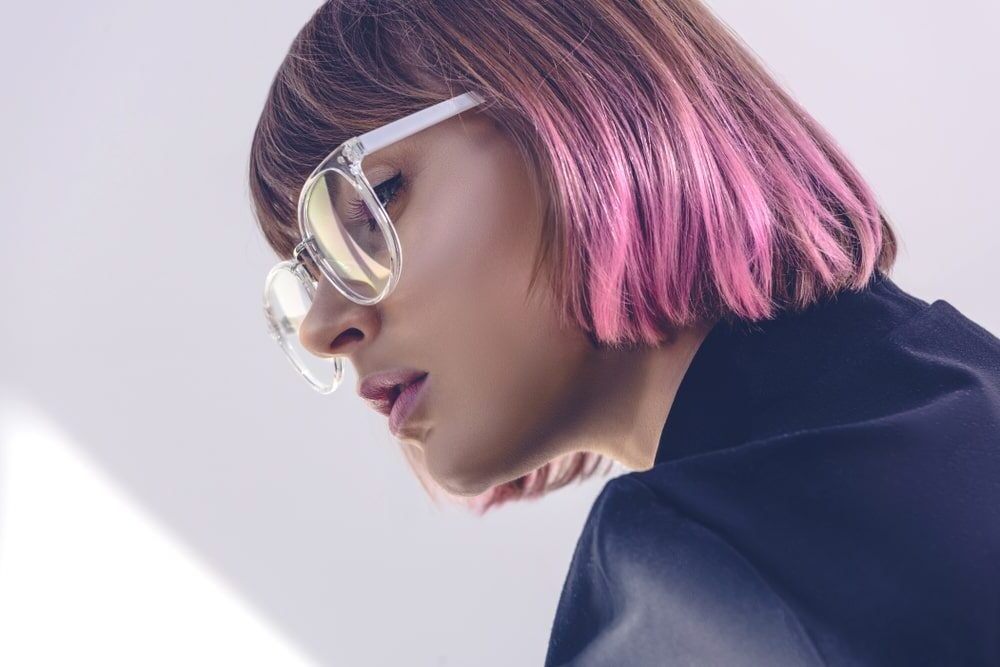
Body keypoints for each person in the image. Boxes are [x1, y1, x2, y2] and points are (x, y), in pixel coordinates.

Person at [247, 1, 1000, 664]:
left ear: (573, 105)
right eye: (311, 270)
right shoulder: (966, 384)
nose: (321, 326)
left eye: (372, 203)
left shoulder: (695, 576)